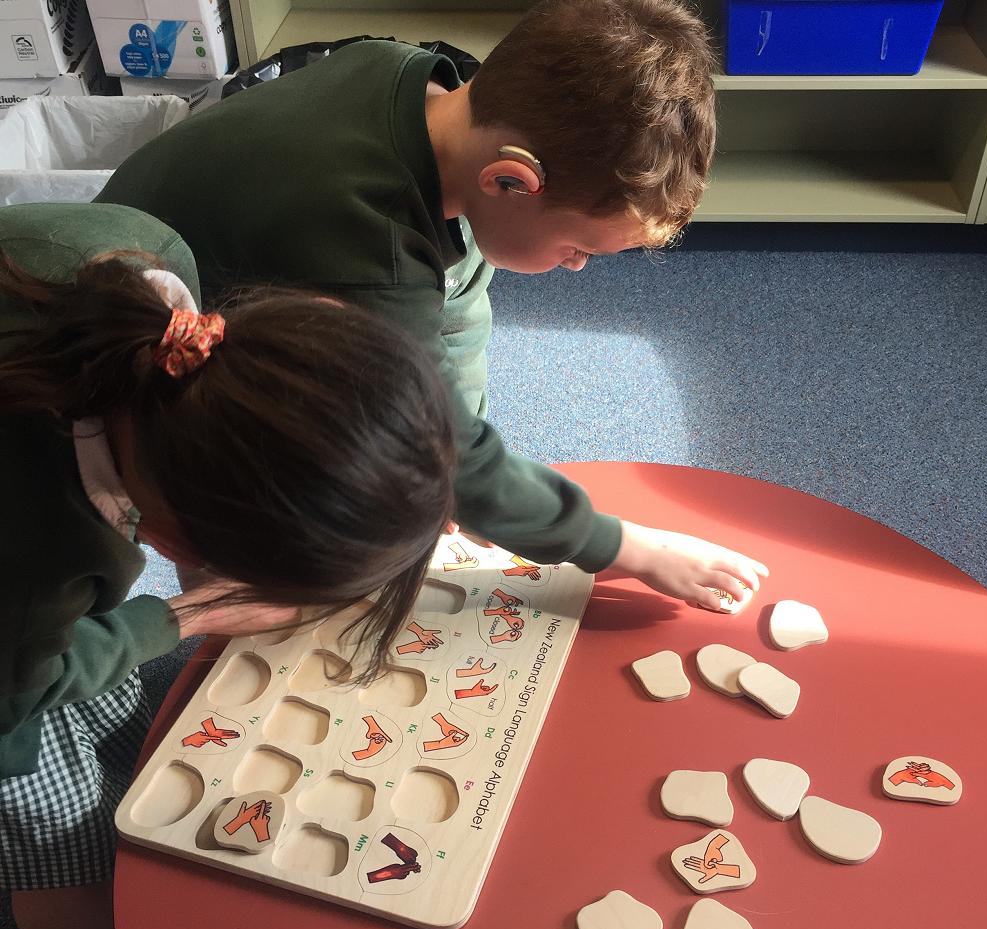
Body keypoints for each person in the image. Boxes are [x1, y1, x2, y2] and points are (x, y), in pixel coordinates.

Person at [96, 0, 769, 612]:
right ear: (511, 181)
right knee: (246, 535)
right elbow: (435, 440)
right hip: (126, 363)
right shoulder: (370, 253)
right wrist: (628, 548)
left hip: (208, 278)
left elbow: (459, 307)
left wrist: (451, 458)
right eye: (576, 248)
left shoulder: (436, 92)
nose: (576, 267)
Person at [0, 201, 456, 929]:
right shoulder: (44, 562)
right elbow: (20, 689)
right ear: (177, 541)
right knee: (60, 848)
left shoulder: (151, 276)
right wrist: (186, 615)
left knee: (118, 719)